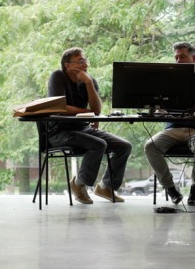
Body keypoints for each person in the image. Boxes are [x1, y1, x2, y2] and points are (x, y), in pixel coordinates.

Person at [47, 47, 132, 204]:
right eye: (80, 61)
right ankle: (78, 184)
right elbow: (59, 107)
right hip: (59, 131)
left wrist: (88, 82)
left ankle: (106, 186)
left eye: (85, 61)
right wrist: (87, 111)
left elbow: (97, 110)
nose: (85, 65)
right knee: (98, 144)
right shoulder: (57, 76)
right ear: (67, 65)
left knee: (124, 146)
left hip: (82, 129)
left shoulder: (89, 81)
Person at [143, 42, 195, 205]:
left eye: (182, 56)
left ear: (193, 58)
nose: (178, 61)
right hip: (173, 129)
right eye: (176, 57)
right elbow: (160, 105)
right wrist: (159, 109)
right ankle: (171, 189)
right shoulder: (168, 82)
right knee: (150, 146)